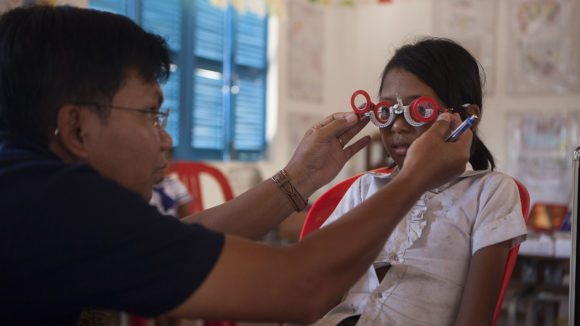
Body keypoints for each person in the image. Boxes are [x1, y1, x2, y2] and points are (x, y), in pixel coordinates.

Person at [0, 6, 472, 325]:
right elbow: (304, 285)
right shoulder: (55, 208)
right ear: (77, 128)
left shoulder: (31, 188)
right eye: (151, 113)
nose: (165, 138)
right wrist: (412, 180)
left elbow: (182, 240)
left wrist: (297, 180)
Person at [310, 38, 528, 326]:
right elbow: (314, 282)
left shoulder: (490, 191)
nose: (398, 126)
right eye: (386, 111)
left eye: (420, 110)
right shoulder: (365, 188)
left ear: (468, 118)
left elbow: (476, 318)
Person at [150, 150, 193, 219]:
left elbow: (186, 216)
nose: (163, 163)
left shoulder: (175, 185)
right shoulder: (142, 186)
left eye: (167, 158)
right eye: (157, 158)